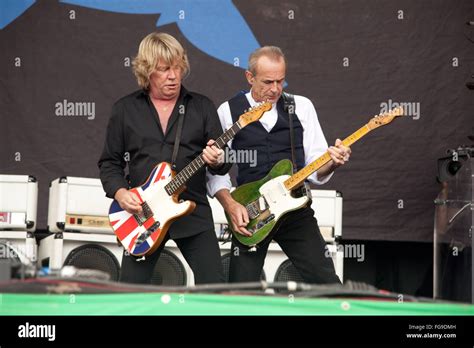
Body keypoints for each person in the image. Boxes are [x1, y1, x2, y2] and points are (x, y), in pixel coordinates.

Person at [207, 46, 351, 284]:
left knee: (327, 284)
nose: (275, 89)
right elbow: (216, 172)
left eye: (281, 81)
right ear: (249, 77)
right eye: (268, 81)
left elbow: (316, 168)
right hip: (250, 212)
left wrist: (333, 163)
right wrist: (231, 205)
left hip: (295, 210)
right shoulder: (228, 110)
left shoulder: (301, 106)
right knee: (240, 294)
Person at [98, 32, 229, 284]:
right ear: (147, 71)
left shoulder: (201, 106)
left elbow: (223, 164)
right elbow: (109, 162)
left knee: (214, 288)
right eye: (164, 69)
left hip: (192, 211)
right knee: (130, 293)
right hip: (143, 215)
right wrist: (120, 193)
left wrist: (217, 159)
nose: (173, 75)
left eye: (178, 67)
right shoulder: (125, 109)